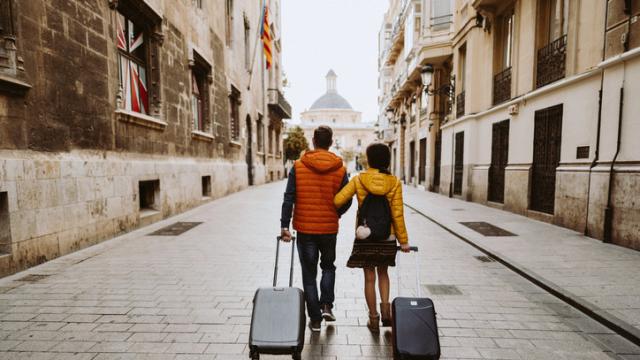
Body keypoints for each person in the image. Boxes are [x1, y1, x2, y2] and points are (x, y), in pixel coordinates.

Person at [280, 126, 352, 332]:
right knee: (328, 266)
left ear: (313, 141)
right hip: (329, 228)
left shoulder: (299, 165)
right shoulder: (340, 168)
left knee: (309, 273)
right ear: (330, 142)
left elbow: (289, 197)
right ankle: (327, 305)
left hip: (305, 228)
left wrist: (284, 225)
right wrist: (336, 213)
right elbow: (347, 198)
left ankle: (315, 319)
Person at [333, 142, 410, 332]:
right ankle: (386, 312)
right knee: (383, 273)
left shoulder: (359, 180)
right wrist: (404, 241)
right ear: (387, 159)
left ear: (369, 159)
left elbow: (338, 200)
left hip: (365, 235)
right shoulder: (394, 182)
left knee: (369, 278)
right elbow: (397, 213)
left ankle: (373, 319)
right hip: (388, 236)